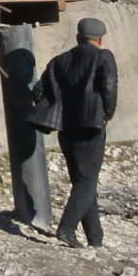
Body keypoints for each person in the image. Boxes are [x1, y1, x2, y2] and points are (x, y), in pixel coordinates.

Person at [36, 18, 119, 249]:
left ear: (77, 37)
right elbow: (109, 86)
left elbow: (39, 90)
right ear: (100, 39)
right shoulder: (103, 57)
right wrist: (108, 113)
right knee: (87, 181)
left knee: (82, 181)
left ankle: (95, 239)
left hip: (65, 128)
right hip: (91, 125)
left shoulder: (59, 61)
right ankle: (67, 228)